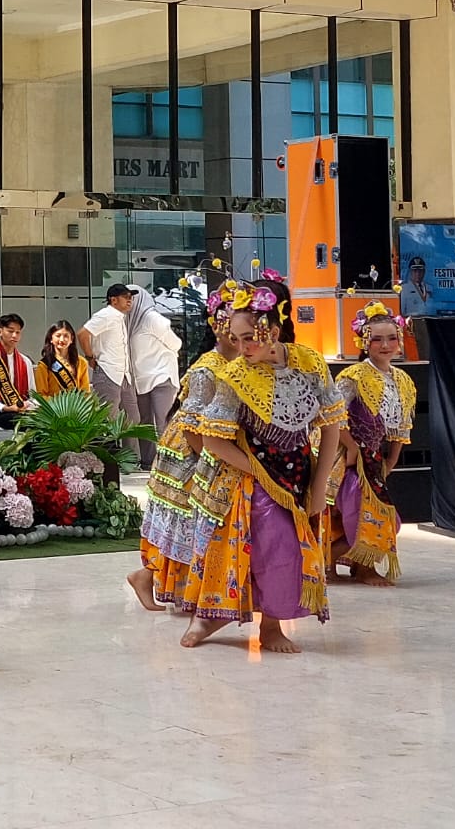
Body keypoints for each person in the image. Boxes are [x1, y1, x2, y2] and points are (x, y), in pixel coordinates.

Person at [180, 280, 344, 654]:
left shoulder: (309, 362)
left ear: (272, 327)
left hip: (299, 474)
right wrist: (258, 473)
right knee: (271, 546)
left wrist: (320, 486)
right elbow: (212, 440)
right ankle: (211, 615)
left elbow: (331, 424)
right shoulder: (233, 376)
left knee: (291, 552)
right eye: (235, 339)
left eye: (248, 338)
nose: (241, 348)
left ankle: (271, 625)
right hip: (250, 480)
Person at [127, 281, 238, 613]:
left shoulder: (240, 366)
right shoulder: (209, 368)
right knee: (189, 518)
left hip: (214, 451)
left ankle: (183, 587)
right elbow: (192, 426)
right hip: (192, 454)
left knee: (199, 523)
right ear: (218, 326)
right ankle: (148, 577)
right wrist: (209, 463)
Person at [328, 303, 414, 586]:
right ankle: (361, 567)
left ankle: (332, 558)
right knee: (361, 515)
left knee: (385, 519)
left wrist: (391, 460)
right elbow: (332, 414)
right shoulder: (353, 377)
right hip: (346, 460)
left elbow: (402, 427)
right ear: (364, 342)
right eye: (377, 339)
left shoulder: (402, 380)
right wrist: (351, 447)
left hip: (374, 460)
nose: (385, 345)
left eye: (391, 338)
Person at [125, 285, 182, 467]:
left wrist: (162, 358)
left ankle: (170, 463)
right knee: (145, 423)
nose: (129, 301)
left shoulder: (152, 318)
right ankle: (148, 461)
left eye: (132, 298)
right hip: (141, 379)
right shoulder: (129, 320)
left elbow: (176, 343)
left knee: (163, 422)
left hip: (161, 377)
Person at [80, 285, 137, 423]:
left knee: (132, 419)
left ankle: (128, 446)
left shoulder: (119, 317)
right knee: (109, 421)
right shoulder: (105, 315)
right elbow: (82, 334)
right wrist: (89, 357)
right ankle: (113, 446)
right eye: (125, 297)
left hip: (123, 375)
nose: (129, 300)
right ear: (114, 300)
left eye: (131, 297)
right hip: (108, 372)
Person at [34, 321, 90, 397]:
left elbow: (85, 392)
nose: (62, 339)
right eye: (58, 335)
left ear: (71, 339)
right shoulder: (44, 365)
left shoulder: (81, 362)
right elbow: (41, 394)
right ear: (51, 338)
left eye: (66, 336)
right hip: (53, 407)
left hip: (76, 407)